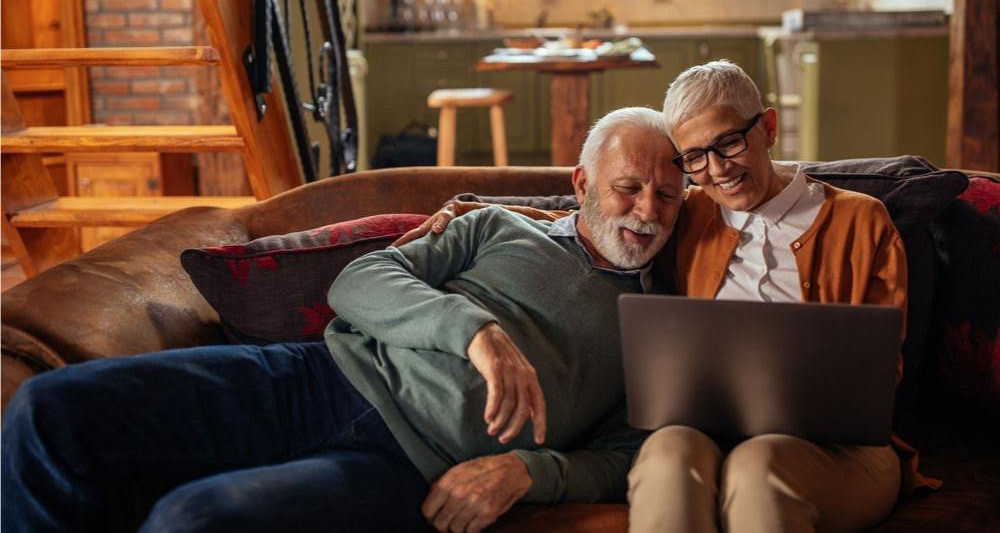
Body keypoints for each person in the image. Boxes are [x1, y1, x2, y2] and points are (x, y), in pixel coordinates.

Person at [1, 106, 684, 533]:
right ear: (582, 183)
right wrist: (476, 330)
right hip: (313, 378)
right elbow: (362, 279)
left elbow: (626, 456)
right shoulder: (497, 226)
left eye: (667, 193)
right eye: (629, 187)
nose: (648, 210)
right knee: (46, 408)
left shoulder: (652, 328)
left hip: (401, 465)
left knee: (194, 518)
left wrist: (530, 474)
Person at [405, 61, 937, 533]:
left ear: (768, 128)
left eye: (729, 142)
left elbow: (876, 370)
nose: (719, 169)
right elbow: (602, 219)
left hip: (837, 449)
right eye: (696, 158)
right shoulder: (692, 213)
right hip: (705, 432)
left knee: (758, 467)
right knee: (663, 456)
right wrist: (472, 209)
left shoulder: (860, 220)